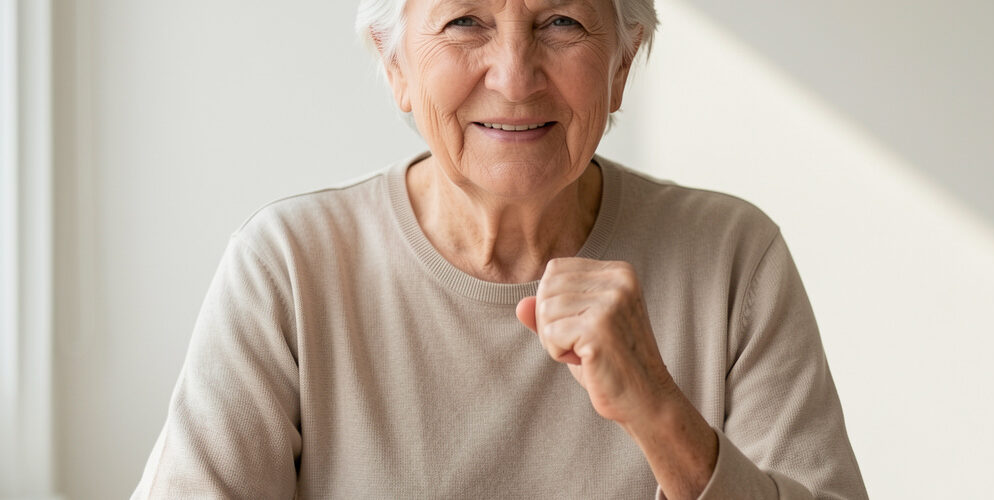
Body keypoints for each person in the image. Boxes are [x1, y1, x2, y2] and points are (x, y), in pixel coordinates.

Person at [132, 1, 868, 498]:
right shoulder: (289, 269)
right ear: (394, 66)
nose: (515, 76)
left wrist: (662, 416)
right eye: (465, 22)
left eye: (559, 22)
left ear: (622, 65)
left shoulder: (734, 259)